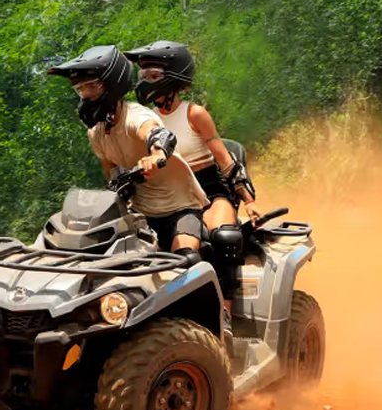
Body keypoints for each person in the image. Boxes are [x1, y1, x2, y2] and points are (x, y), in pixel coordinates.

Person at [124, 40, 261, 322]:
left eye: (153, 76)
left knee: (226, 237)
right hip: (168, 196)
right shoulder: (141, 120)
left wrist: (249, 202)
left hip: (209, 190)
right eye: (143, 76)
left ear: (174, 79)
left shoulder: (194, 114)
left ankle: (226, 312)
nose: (145, 83)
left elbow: (225, 160)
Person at [46, 44, 208, 258]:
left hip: (180, 209)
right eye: (80, 89)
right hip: (139, 214)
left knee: (185, 261)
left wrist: (157, 154)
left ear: (112, 84)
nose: (85, 95)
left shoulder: (135, 116)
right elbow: (111, 173)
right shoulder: (96, 133)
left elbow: (156, 133)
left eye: (92, 86)